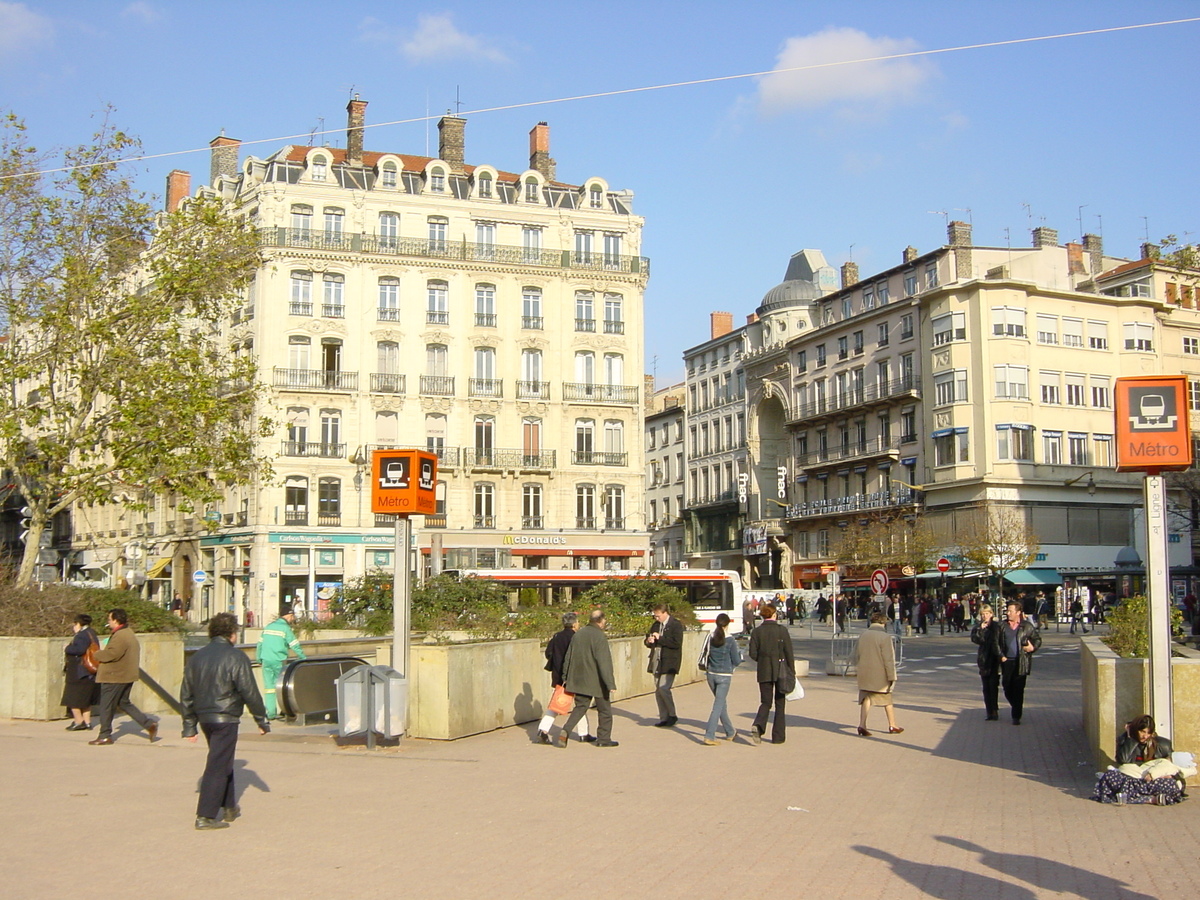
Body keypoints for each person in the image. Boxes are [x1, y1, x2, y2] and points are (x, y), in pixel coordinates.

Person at [181, 612, 271, 830]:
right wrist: (261, 720)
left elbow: (186, 693)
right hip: (226, 716)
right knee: (217, 765)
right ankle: (206, 815)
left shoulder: (197, 657)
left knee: (222, 760)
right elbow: (249, 691)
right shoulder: (236, 657)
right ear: (233, 634)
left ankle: (229, 806)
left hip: (205, 717)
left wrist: (189, 725)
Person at [88, 609, 158, 745]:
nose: (108, 622)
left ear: (116, 620)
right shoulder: (128, 633)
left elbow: (112, 654)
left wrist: (96, 654)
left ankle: (105, 734)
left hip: (115, 676)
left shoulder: (120, 635)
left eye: (109, 619)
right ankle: (148, 724)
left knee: (106, 706)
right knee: (124, 703)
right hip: (125, 675)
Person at [1092, 714, 1185, 805]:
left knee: (1172, 784)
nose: (1145, 736)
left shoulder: (1163, 744)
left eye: (1148, 733)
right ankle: (1150, 798)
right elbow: (1123, 760)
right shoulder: (1125, 740)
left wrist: (1162, 775)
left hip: (1153, 781)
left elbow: (1173, 767)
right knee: (1109, 777)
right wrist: (1131, 739)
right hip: (1131, 780)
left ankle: (1136, 797)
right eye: (1142, 732)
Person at [560, 609, 618, 747]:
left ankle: (566, 730)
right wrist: (610, 683)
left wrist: (565, 676)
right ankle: (603, 739)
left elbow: (569, 655)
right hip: (597, 680)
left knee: (580, 707)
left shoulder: (578, 634)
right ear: (600, 621)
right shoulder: (599, 636)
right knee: (604, 710)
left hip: (579, 678)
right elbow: (604, 662)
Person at [535, 612, 592, 744]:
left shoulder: (556, 636)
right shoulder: (577, 637)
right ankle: (583, 733)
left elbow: (549, 653)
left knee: (557, 705)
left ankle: (543, 730)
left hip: (558, 676)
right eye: (577, 622)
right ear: (573, 624)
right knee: (581, 705)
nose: (579, 624)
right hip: (574, 676)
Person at [747, 603, 794, 745]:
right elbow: (789, 653)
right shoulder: (782, 631)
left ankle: (759, 725)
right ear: (774, 615)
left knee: (765, 702)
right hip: (781, 670)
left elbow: (752, 653)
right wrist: (791, 670)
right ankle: (778, 736)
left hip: (764, 670)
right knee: (780, 703)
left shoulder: (756, 632)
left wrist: (762, 660)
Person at [853, 611, 903, 736]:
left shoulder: (864, 635)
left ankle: (862, 724)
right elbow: (888, 659)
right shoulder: (885, 637)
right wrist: (892, 676)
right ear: (883, 623)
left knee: (866, 698)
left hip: (864, 672)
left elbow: (856, 654)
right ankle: (892, 725)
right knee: (887, 699)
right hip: (879, 674)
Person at [257, 610, 307, 719]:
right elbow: (294, 645)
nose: (293, 620)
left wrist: (259, 658)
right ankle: (284, 710)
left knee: (269, 687)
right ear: (290, 616)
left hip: (266, 659)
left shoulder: (268, 627)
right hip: (279, 660)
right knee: (282, 686)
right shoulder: (285, 628)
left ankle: (270, 713)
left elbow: (260, 644)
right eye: (293, 617)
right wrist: (303, 658)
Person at [701, 613, 743, 745]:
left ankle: (730, 731)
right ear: (728, 624)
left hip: (711, 674)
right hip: (724, 675)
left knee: (721, 704)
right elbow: (736, 660)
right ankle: (710, 735)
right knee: (718, 706)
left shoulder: (710, 636)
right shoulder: (730, 640)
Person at [998, 599, 1041, 725]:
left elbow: (1037, 639)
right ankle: (1015, 705)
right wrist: (1000, 655)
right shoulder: (1002, 626)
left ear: (1018, 612)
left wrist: (1032, 647)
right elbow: (997, 642)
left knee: (1018, 689)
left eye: (1010, 611)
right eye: (1007, 611)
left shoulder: (1026, 626)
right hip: (1007, 661)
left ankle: (1016, 715)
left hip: (1021, 661)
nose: (1008, 613)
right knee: (1006, 686)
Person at [644, 603, 684, 727]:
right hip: (656, 660)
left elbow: (676, 643)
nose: (657, 619)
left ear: (665, 613)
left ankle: (672, 714)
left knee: (664, 688)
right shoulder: (655, 625)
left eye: (658, 616)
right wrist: (649, 641)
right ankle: (663, 717)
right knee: (658, 690)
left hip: (670, 661)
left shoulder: (676, 625)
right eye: (655, 616)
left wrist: (660, 638)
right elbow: (648, 640)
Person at [61, 614, 100, 731]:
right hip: (89, 672)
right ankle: (87, 722)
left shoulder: (81, 636)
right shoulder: (91, 633)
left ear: (78, 624)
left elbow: (79, 650)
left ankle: (78, 721)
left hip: (79, 672)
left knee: (73, 698)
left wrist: (67, 648)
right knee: (85, 699)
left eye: (75, 624)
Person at [970, 603, 1002, 720]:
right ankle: (989, 711)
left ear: (991, 614)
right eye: (982, 614)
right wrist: (980, 629)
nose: (985, 616)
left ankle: (994, 710)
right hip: (984, 659)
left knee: (993, 686)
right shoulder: (978, 627)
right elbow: (976, 639)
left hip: (995, 659)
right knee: (986, 688)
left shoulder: (997, 626)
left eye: (987, 614)